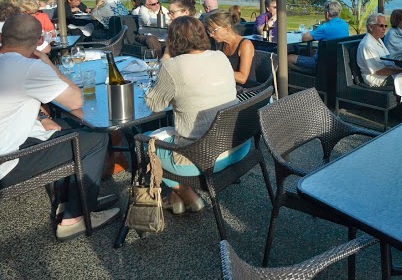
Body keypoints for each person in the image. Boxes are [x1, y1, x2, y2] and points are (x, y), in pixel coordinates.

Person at [0, 15, 120, 240]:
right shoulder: (29, 67)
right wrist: (47, 63)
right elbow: (76, 101)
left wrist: (40, 116)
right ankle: (74, 219)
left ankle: (74, 201)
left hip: (15, 139)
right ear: (39, 42)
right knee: (97, 138)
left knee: (71, 126)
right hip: (6, 162)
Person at [144, 16, 239, 214]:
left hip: (201, 157)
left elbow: (155, 105)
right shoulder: (220, 57)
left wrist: (167, 57)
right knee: (175, 132)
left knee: (145, 144)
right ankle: (175, 198)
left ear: (172, 40)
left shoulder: (173, 66)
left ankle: (187, 194)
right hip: (236, 146)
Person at [357, 13, 402, 120]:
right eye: (381, 26)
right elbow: (379, 71)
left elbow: (387, 63)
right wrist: (401, 70)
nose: (384, 29)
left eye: (385, 26)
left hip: (385, 71)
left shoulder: (378, 40)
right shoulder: (367, 45)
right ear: (371, 27)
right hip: (376, 78)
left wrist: (401, 69)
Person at [206, 12, 259, 100]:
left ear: (227, 27)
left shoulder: (245, 45)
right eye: (209, 32)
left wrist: (217, 71)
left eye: (213, 31)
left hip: (246, 92)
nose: (211, 35)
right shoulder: (220, 44)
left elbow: (242, 78)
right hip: (228, 88)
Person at [288, 0, 349, 69]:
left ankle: (308, 75)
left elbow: (304, 38)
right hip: (336, 61)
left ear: (327, 14)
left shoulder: (324, 28)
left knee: (288, 59)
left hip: (320, 63)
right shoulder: (344, 24)